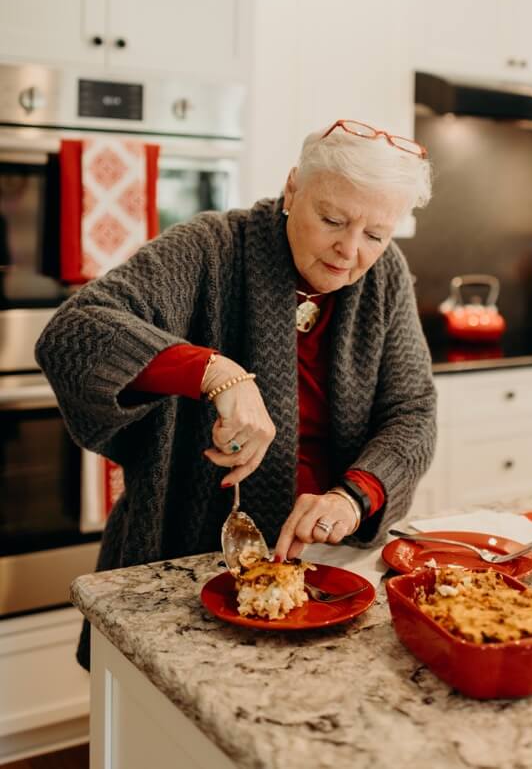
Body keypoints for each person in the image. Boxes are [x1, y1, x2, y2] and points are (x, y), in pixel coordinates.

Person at [36, 118, 437, 667]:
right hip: (184, 560)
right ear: (293, 188)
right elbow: (73, 333)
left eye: (375, 234)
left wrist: (352, 497)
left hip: (330, 569)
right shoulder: (210, 248)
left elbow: (412, 412)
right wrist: (216, 371)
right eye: (332, 219)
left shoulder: (385, 274)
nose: (350, 251)